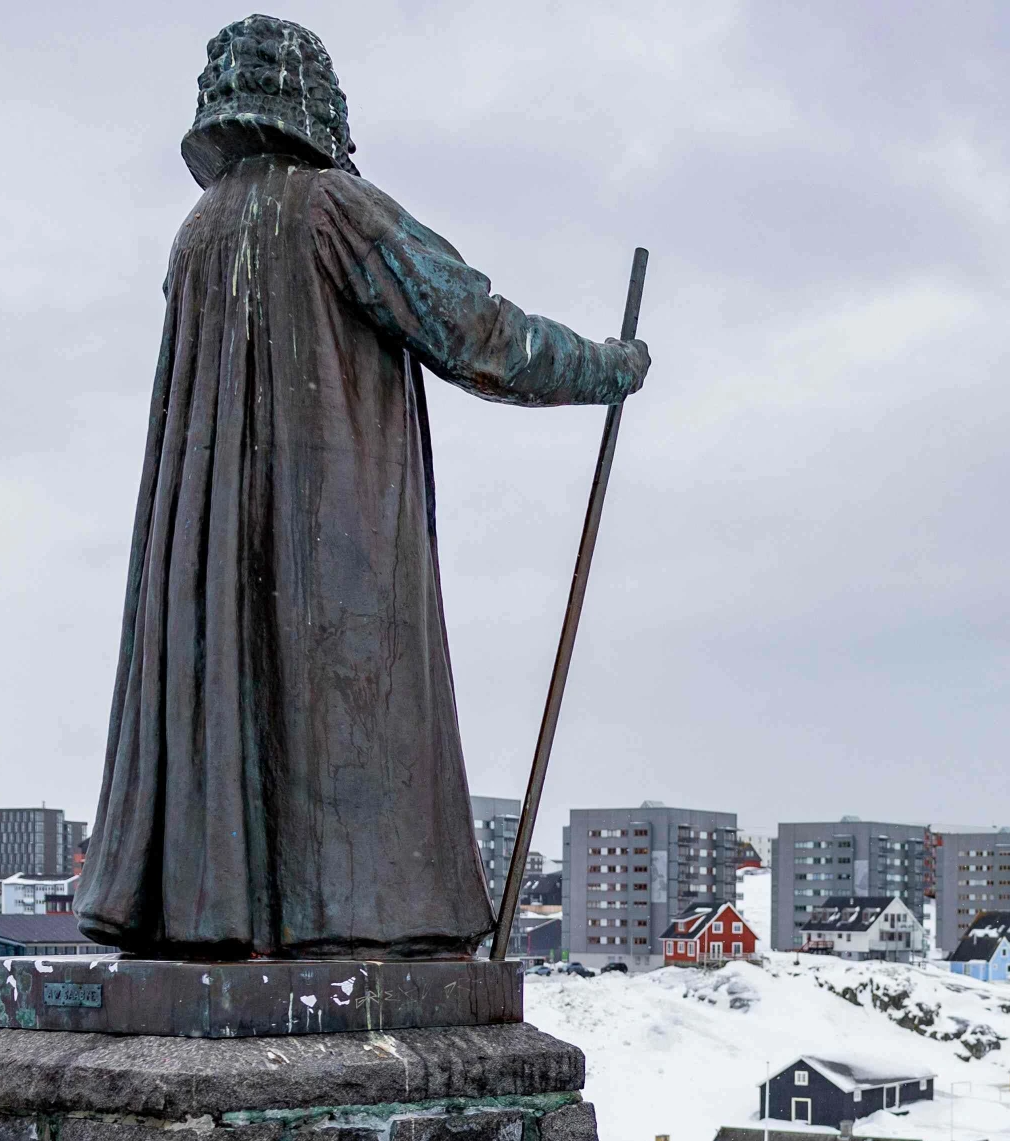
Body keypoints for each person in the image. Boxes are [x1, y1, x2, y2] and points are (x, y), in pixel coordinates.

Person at [77, 16, 649, 959]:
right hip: (328, 530)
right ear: (315, 104)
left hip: (213, 551)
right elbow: (474, 332)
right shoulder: (332, 208)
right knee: (345, 711)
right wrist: (608, 367)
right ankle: (352, 913)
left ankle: (220, 914)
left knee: (241, 702)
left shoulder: (199, 232)